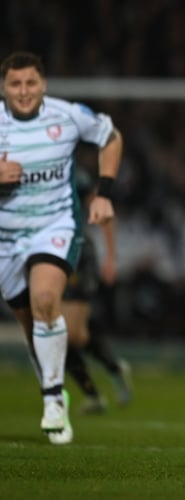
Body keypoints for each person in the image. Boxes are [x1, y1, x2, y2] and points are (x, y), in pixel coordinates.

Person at [0, 51, 123, 444]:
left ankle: (54, 403)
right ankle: (54, 388)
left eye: (30, 83)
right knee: (31, 326)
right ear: (5, 87)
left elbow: (111, 137)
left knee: (46, 299)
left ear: (43, 84)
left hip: (54, 227)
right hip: (5, 237)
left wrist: (103, 193)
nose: (23, 91)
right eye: (15, 84)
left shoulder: (67, 115)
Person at [63, 169, 132, 414]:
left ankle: (109, 372)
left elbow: (104, 212)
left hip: (77, 253)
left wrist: (111, 257)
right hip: (43, 252)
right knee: (58, 334)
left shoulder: (76, 177)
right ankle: (96, 391)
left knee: (69, 335)